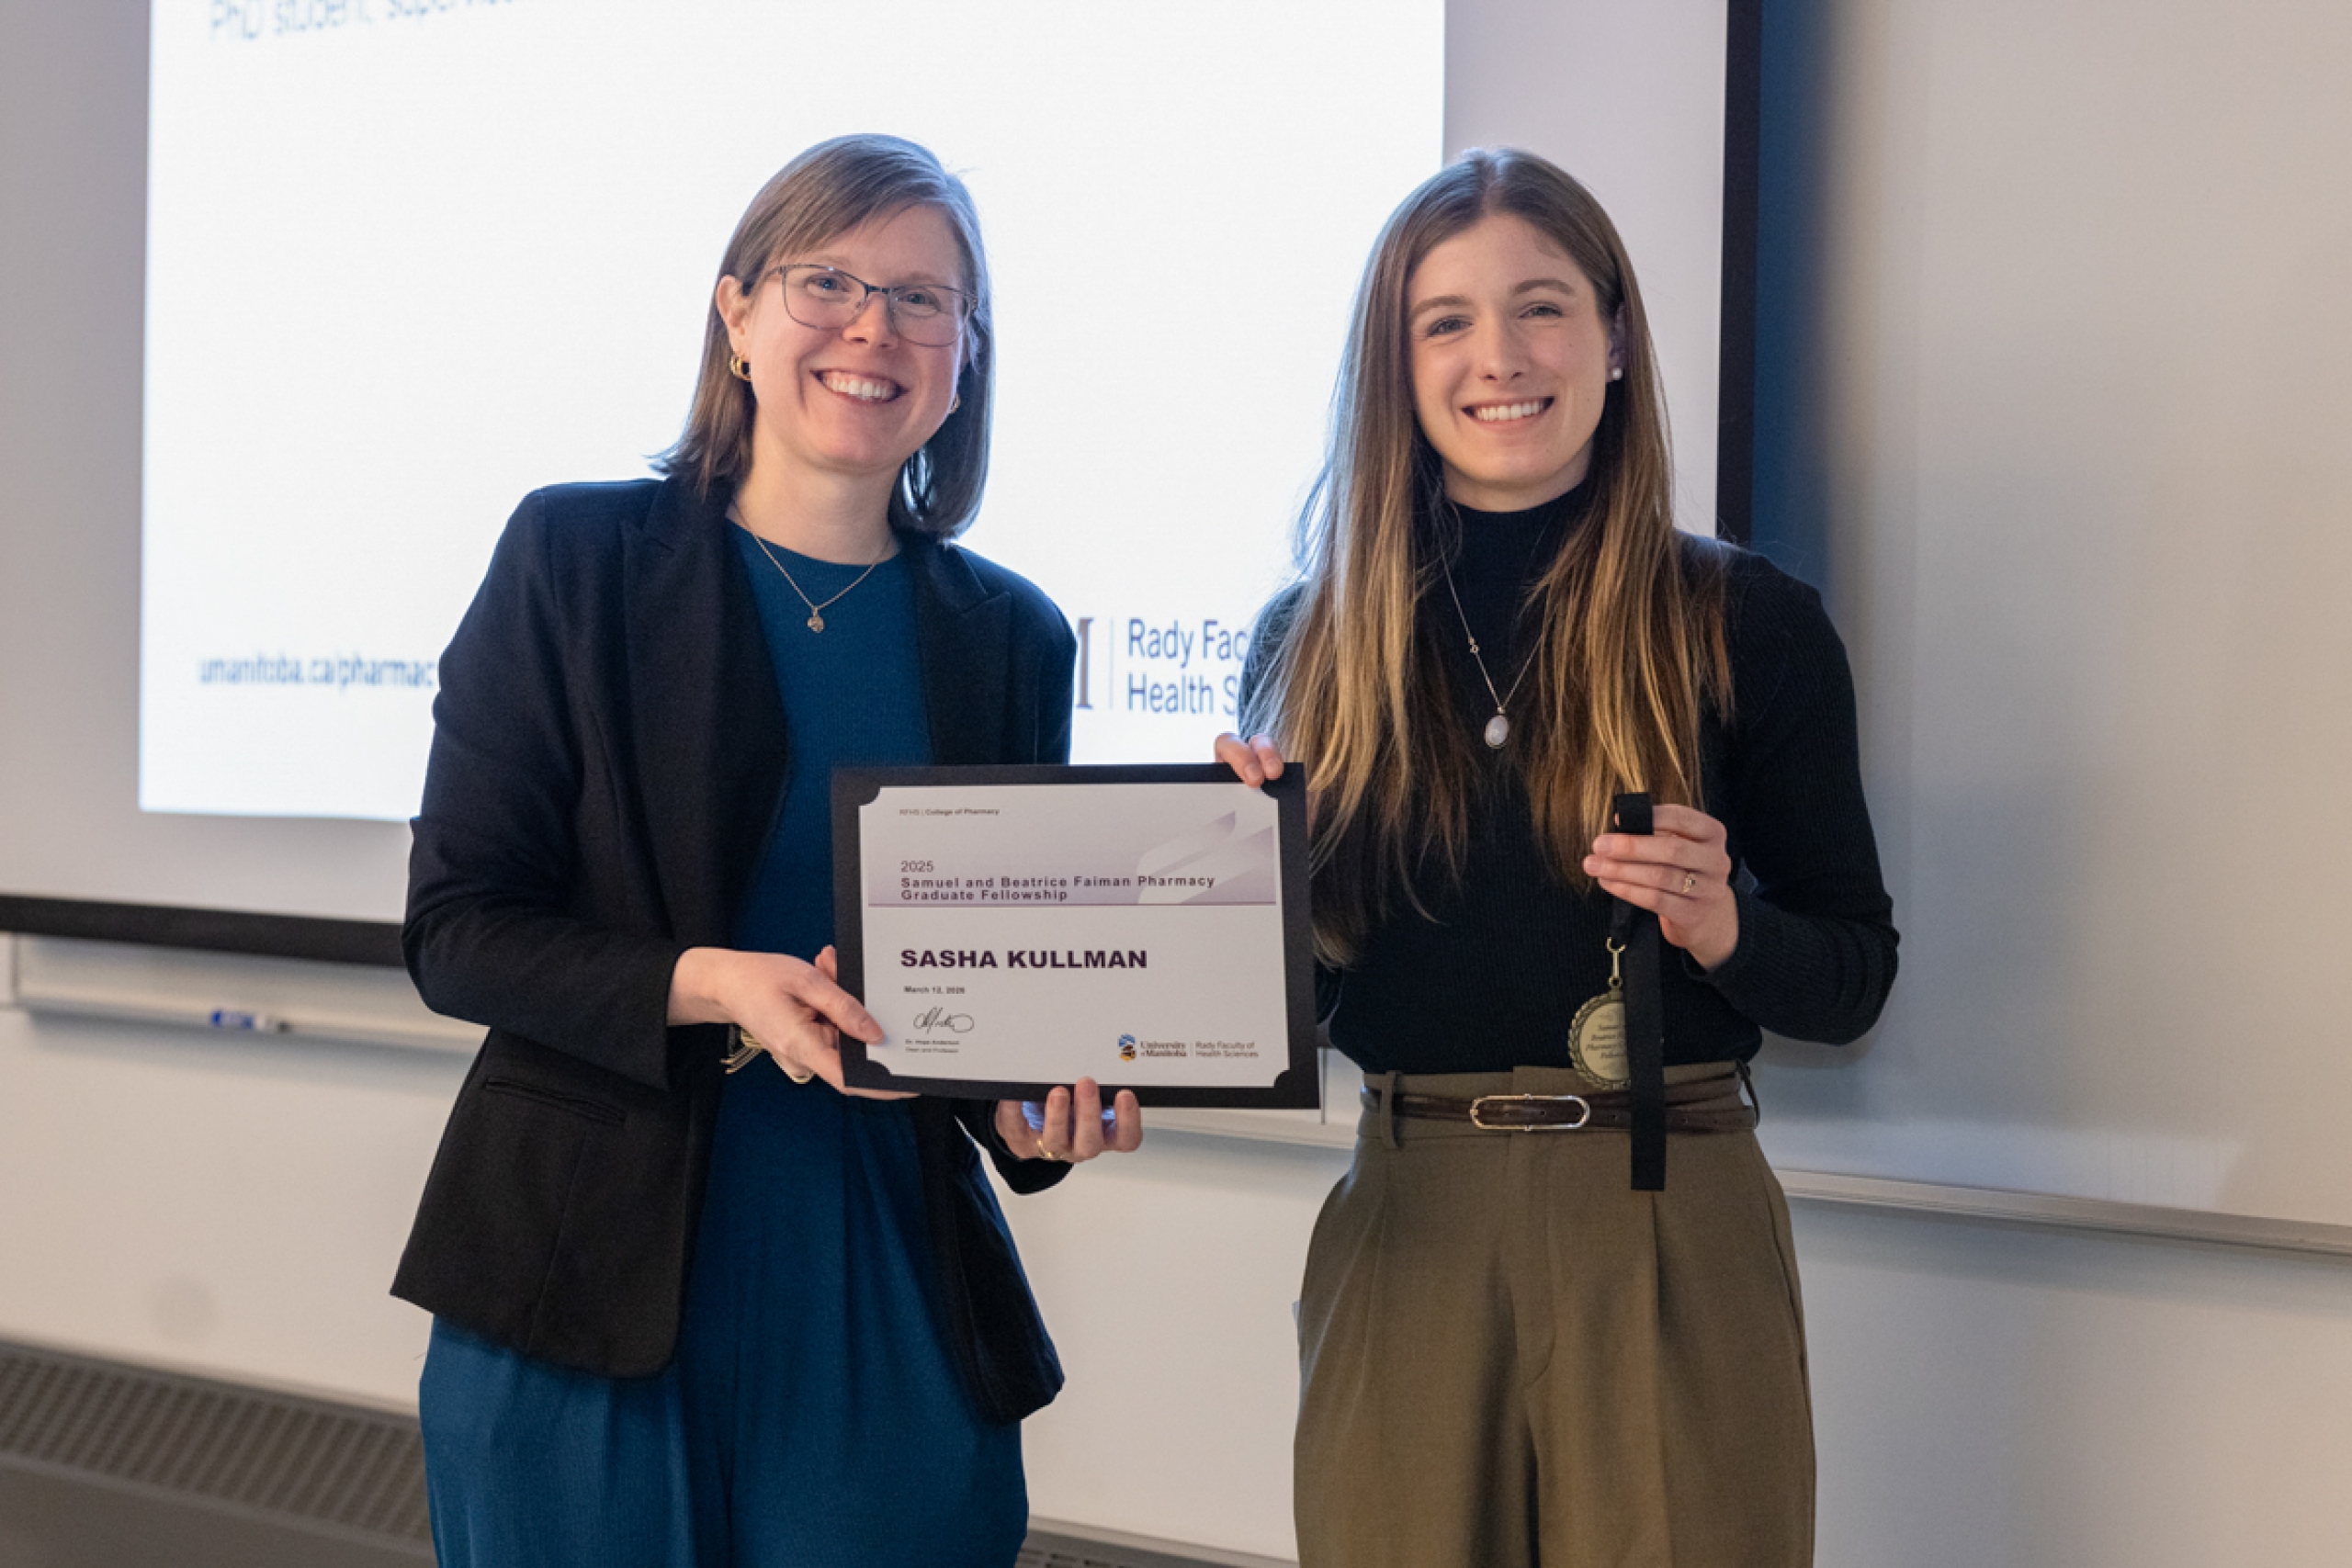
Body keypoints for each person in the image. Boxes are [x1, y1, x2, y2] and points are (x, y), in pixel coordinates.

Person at [392, 134, 1142, 1568]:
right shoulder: (575, 562)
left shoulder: (1013, 638)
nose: (876, 328)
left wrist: (1041, 1115)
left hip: (882, 1274)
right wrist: (716, 983)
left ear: (965, 355)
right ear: (736, 313)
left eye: (927, 300)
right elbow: (458, 929)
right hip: (579, 1273)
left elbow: (988, 995)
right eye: (829, 282)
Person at [1216, 149, 1897, 1567]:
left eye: (1541, 308)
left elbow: (1850, 978)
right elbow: (1313, 1002)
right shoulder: (1315, 636)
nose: (1500, 357)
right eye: (1445, 320)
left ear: (1616, 337)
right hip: (1408, 1215)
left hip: (1667, 1202)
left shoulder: (1740, 618)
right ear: (1392, 364)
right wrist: (1231, 897)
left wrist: (1726, 928)